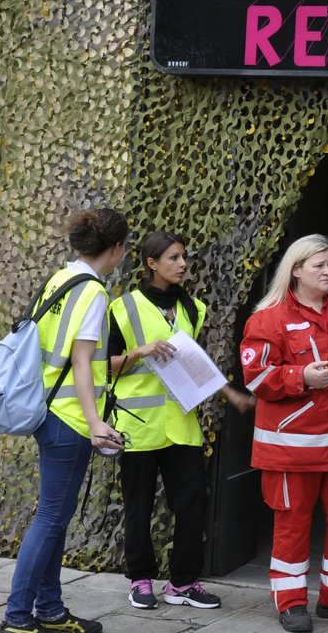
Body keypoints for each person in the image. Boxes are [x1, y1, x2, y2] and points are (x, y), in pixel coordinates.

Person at [0, 207, 130, 633]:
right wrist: (96, 423)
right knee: (51, 517)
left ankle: (50, 609)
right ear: (115, 249)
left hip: (51, 412)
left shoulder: (60, 279)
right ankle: (17, 617)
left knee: (55, 518)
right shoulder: (92, 292)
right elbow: (82, 363)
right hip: (69, 418)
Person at [239, 234, 328, 633]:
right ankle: (290, 601)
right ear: (296, 270)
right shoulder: (268, 318)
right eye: (318, 265)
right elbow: (257, 377)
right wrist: (299, 376)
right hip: (294, 447)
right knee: (292, 524)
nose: (327, 272)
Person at [106, 231, 253, 611]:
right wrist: (140, 351)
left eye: (183, 257)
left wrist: (228, 392)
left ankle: (183, 583)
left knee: (191, 504)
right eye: (173, 257)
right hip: (138, 424)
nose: (183, 264)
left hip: (182, 425)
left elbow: (192, 364)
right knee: (138, 505)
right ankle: (140, 580)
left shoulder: (193, 309)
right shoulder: (122, 308)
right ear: (151, 263)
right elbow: (99, 366)